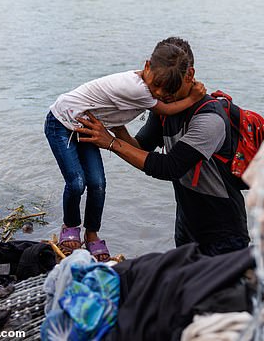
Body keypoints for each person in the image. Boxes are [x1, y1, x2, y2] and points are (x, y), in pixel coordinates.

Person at [76, 37, 250, 256]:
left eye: (171, 85)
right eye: (159, 83)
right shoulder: (165, 109)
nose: (161, 93)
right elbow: (141, 148)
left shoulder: (209, 118)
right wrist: (114, 123)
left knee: (222, 291)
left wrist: (110, 142)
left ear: (189, 75)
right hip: (186, 226)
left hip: (223, 232)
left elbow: (170, 167)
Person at [45, 41, 206, 261]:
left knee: (98, 184)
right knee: (76, 182)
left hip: (87, 126)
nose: (159, 92)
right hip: (62, 122)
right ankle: (70, 226)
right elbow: (165, 108)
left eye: (166, 89)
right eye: (157, 85)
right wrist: (194, 98)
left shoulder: (150, 85)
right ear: (147, 66)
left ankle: (92, 234)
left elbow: (138, 146)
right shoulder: (137, 88)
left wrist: (115, 135)